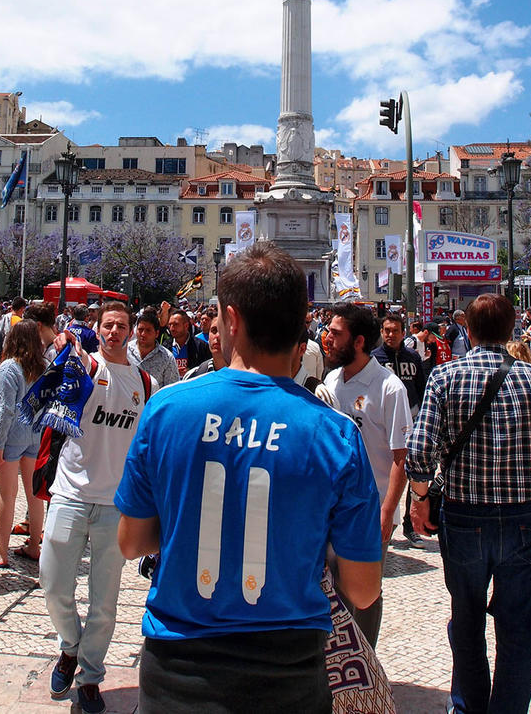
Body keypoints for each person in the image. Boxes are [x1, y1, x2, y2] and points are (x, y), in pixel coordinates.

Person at [115, 243, 382, 713]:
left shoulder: (166, 410)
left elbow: (132, 543)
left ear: (231, 321)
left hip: (178, 666)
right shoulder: (335, 434)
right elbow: (362, 588)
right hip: (288, 671)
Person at [406, 293, 531, 714]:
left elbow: (419, 453)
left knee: (466, 622)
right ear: (511, 329)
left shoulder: (446, 378)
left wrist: (421, 498)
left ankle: (467, 708)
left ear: (470, 329)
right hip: (524, 519)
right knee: (519, 630)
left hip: (465, 516)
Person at [41, 302, 156, 713]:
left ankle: (90, 675)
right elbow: (54, 364)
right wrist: (62, 343)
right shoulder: (83, 367)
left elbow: (147, 448)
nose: (113, 332)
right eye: (107, 325)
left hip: (115, 503)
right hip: (70, 492)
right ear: (98, 328)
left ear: (132, 332)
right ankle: (69, 646)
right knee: (53, 584)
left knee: (105, 601)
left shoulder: (146, 382)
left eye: (121, 326)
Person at [316, 302, 412, 648]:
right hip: (330, 509)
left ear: (358, 342)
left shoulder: (389, 388)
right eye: (327, 331)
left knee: (364, 594)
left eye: (335, 333)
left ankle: (364, 661)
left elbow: (402, 455)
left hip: (370, 511)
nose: (327, 338)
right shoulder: (330, 381)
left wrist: (388, 512)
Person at [0, 320, 45, 567]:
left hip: (13, 436)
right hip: (35, 434)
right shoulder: (45, 366)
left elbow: (6, 410)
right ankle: (33, 546)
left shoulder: (9, 367)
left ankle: (2, 553)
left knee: (6, 495)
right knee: (34, 494)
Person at [372, 313, 427, 549]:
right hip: (383, 428)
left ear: (403, 333)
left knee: (411, 474)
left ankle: (409, 526)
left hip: (411, 424)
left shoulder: (413, 358)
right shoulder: (374, 359)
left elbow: (422, 390)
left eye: (395, 330)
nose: (390, 335)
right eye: (386, 330)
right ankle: (385, 521)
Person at [128, 307, 179, 389]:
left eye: (148, 330)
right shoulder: (124, 351)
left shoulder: (167, 358)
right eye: (140, 330)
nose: (143, 334)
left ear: (157, 333)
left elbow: (171, 389)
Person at [167, 307, 211, 378]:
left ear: (186, 325)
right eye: (170, 325)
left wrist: (191, 372)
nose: (172, 328)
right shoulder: (166, 347)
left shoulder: (201, 346)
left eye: (175, 324)